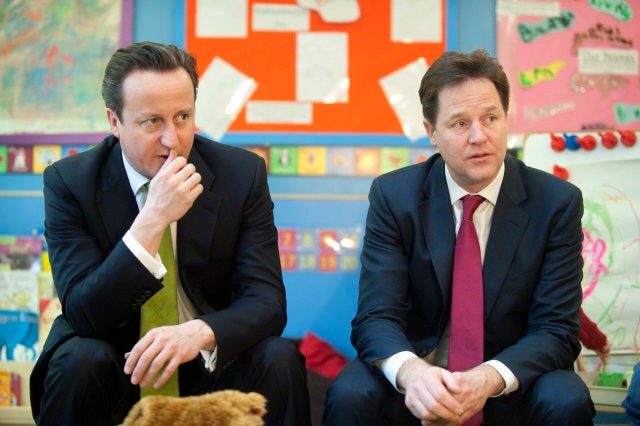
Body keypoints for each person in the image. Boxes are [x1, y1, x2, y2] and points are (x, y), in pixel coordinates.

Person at [30, 41, 311, 426]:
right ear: (115, 122)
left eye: (182, 117)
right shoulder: (70, 183)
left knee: (280, 357)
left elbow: (267, 302)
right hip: (117, 365)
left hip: (207, 360)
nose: (173, 140)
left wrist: (200, 332)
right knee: (80, 357)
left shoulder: (240, 174)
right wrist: (153, 218)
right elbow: (84, 313)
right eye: (152, 122)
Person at [323, 49, 595, 425]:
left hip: (508, 377)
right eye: (460, 124)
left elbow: (556, 329)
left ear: (505, 119)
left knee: (567, 398)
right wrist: (414, 375)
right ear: (432, 132)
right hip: (421, 373)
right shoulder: (395, 197)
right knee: (350, 394)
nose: (479, 136)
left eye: (490, 118)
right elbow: (376, 316)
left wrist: (485, 379)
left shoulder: (555, 202)